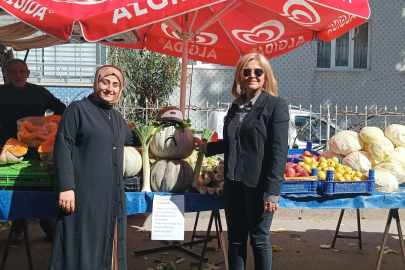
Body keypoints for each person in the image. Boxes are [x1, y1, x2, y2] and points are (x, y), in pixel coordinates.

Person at [194, 52, 289, 270]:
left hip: (258, 185)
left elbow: (278, 151)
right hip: (233, 183)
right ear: (240, 76)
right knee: (235, 239)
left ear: (265, 76)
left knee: (259, 239)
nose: (252, 75)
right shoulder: (236, 106)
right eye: (247, 71)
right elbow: (232, 142)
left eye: (258, 71)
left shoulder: (275, 105)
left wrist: (272, 191)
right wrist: (206, 147)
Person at [49, 65, 141, 270]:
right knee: (83, 246)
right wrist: (66, 187)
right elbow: (63, 146)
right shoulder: (77, 109)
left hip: (112, 196)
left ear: (121, 88)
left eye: (116, 84)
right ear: (96, 83)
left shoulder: (117, 118)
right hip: (85, 194)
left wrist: (166, 126)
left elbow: (135, 138)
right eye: (105, 82)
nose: (110, 88)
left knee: (109, 244)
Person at [0, 59, 66, 244]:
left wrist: (47, 121)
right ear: (7, 74)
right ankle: (19, 227)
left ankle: (49, 226)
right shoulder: (1, 93)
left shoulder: (40, 92)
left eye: (22, 71)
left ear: (28, 73)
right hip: (9, 149)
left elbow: (62, 110)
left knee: (43, 185)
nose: (18, 75)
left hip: (39, 148)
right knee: (17, 187)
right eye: (14, 72)